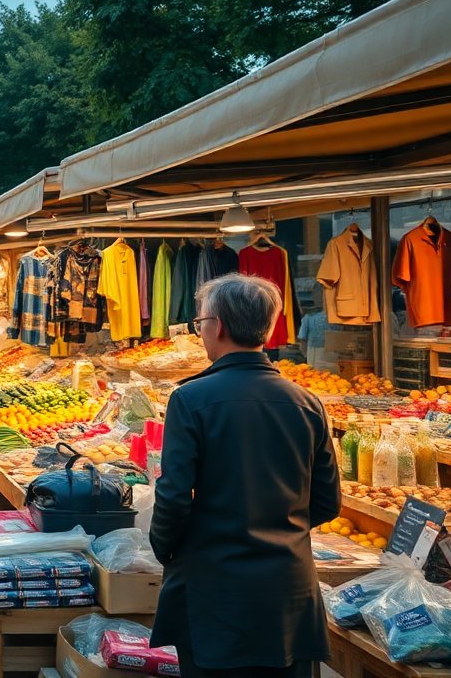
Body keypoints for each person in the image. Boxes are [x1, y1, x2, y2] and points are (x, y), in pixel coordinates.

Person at [150, 274, 340, 678]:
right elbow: (327, 501)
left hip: (214, 588)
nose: (201, 333)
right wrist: (281, 531)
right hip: (290, 590)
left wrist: (166, 550)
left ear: (217, 326)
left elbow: (173, 496)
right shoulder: (307, 402)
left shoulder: (190, 398)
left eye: (200, 324)